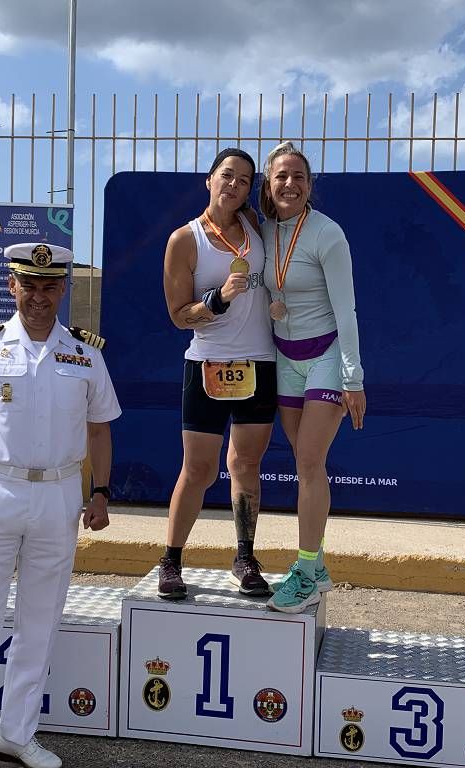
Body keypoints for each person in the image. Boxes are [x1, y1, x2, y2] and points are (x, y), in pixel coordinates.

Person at [0, 242, 121, 768]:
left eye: (49, 286)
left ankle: (15, 734)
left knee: (40, 618)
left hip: (60, 494)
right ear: (12, 287)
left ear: (63, 289)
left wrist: (99, 492)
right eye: (29, 286)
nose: (39, 296)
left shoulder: (86, 353)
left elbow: (100, 429)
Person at [159, 147, 277, 600]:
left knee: (246, 464)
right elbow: (177, 315)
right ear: (209, 179)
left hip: (259, 364)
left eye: (245, 180)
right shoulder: (184, 240)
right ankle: (171, 558)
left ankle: (244, 556)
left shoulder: (257, 228)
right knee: (199, 467)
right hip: (207, 364)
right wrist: (217, 300)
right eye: (227, 175)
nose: (234, 185)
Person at [260, 141, 366, 613]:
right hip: (285, 358)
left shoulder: (328, 233)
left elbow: (347, 309)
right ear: (269, 183)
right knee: (306, 464)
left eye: (298, 176)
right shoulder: (263, 232)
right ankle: (318, 564)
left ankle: (304, 570)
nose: (289, 184)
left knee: (308, 462)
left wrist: (353, 377)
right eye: (281, 175)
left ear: (309, 185)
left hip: (326, 355)